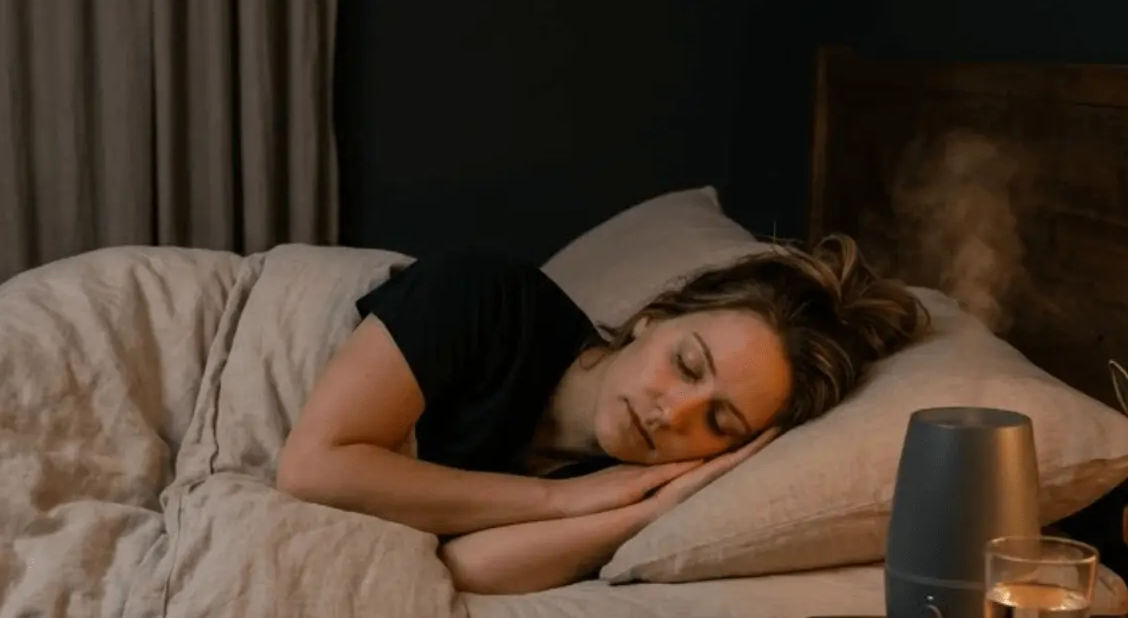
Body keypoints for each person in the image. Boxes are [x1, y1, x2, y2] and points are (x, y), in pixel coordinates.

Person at [276, 233, 928, 595]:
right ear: (653, 318)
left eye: (719, 423)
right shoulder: (485, 295)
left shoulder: (612, 479)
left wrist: (646, 512)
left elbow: (466, 570)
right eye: (688, 364)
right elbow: (312, 467)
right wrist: (559, 503)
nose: (673, 413)